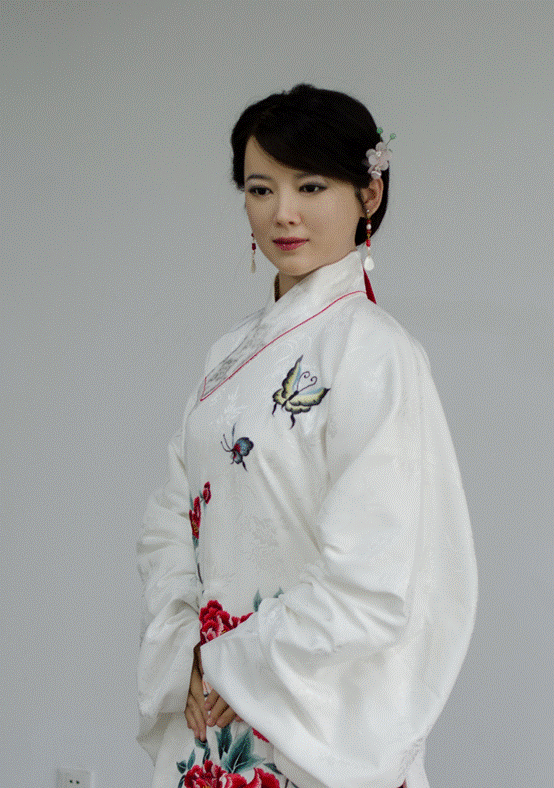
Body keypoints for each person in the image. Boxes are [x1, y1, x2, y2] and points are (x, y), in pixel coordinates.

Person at [136, 84, 477, 788]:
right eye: (261, 189)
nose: (282, 213)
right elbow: (171, 514)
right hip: (209, 703)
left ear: (368, 195)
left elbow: (375, 576)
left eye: (311, 186)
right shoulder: (226, 355)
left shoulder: (376, 353)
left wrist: (233, 665)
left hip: (304, 714)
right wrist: (189, 651)